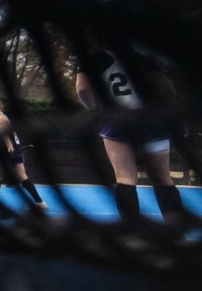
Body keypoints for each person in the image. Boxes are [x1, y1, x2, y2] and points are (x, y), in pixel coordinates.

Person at [76, 46, 185, 222]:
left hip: (118, 117)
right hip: (151, 118)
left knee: (125, 177)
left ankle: (133, 230)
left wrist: (95, 109)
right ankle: (178, 229)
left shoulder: (93, 57)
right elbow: (167, 89)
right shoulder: (143, 56)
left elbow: (82, 90)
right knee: (162, 177)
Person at [0, 94, 46, 210]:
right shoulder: (2, 117)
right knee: (22, 176)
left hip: (6, 153)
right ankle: (40, 202)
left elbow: (5, 136)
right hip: (15, 151)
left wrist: (9, 148)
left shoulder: (0, 118)